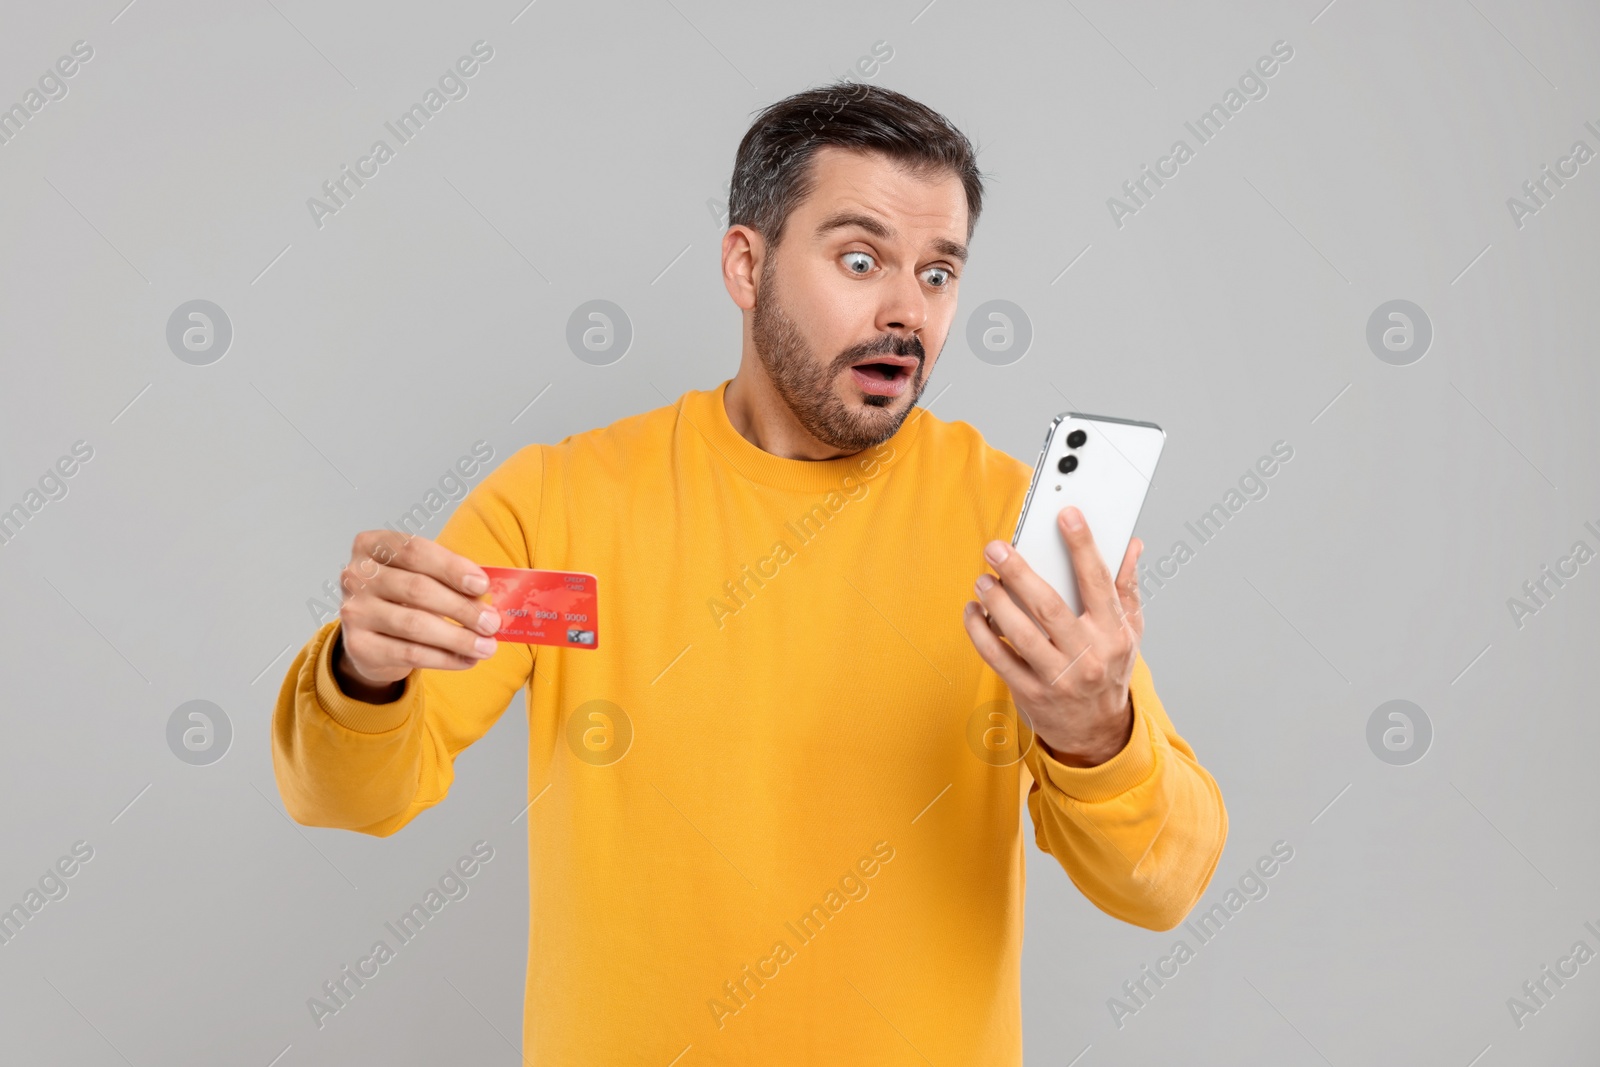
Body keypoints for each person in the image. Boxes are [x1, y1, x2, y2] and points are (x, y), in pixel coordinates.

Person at [271, 79, 1227, 1065]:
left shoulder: (1014, 531)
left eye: (938, 274)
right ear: (745, 263)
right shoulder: (562, 506)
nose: (907, 311)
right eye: (860, 260)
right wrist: (363, 671)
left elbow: (1162, 883)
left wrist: (1093, 734)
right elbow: (349, 796)